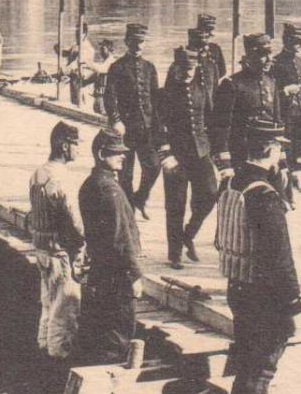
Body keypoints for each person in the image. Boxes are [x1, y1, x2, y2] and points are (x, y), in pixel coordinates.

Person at [214, 117, 301, 394]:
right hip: (264, 296)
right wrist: (292, 304)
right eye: (278, 147)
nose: (281, 154)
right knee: (259, 371)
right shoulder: (265, 197)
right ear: (269, 150)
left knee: (247, 368)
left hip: (238, 286)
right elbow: (280, 260)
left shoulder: (232, 185)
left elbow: (222, 239)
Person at [78, 128, 143, 365]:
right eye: (116, 153)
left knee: (102, 330)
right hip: (118, 275)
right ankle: (109, 385)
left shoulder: (91, 183)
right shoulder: (110, 189)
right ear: (101, 154)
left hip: (100, 272)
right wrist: (134, 274)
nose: (123, 157)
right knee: (119, 334)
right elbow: (121, 237)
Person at [28, 121, 87, 359]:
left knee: (48, 306)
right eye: (75, 145)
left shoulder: (38, 173)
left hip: (41, 248)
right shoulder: (62, 178)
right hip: (61, 252)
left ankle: (42, 353)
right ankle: (58, 360)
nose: (78, 150)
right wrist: (83, 243)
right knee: (65, 311)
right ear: (64, 146)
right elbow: (74, 221)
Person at [156, 45, 217, 266]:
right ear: (176, 68)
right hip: (176, 156)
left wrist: (217, 153)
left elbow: (210, 120)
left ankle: (188, 235)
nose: (188, 73)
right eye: (184, 69)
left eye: (191, 69)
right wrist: (166, 155)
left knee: (210, 193)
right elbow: (158, 127)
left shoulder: (202, 89)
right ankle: (174, 253)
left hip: (201, 152)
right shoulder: (165, 94)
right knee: (175, 205)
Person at [102, 23, 161, 217]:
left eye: (141, 42)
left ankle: (140, 198)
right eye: (134, 41)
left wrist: (158, 126)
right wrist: (116, 120)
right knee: (125, 174)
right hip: (125, 129)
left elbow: (155, 98)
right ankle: (128, 210)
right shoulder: (117, 67)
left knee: (153, 166)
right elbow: (109, 97)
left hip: (146, 128)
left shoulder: (150, 68)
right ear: (127, 42)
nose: (138, 45)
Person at [211, 33, 280, 177]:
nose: (269, 60)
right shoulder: (231, 84)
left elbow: (277, 124)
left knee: (283, 198)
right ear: (250, 57)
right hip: (241, 158)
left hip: (268, 156)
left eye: (270, 54)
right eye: (263, 55)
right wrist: (224, 165)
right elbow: (220, 127)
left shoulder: (271, 82)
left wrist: (282, 163)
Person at [271, 22, 301, 202]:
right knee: (285, 154)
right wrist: (285, 91)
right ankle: (287, 195)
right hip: (285, 114)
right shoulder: (276, 62)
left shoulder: (299, 62)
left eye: (299, 41)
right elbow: (271, 93)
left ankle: (297, 184)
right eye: (294, 41)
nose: (298, 45)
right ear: (285, 41)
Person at [194, 12, 228, 108]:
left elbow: (222, 70)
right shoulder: (192, 49)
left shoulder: (215, 49)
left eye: (208, 32)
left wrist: (212, 78)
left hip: (211, 89)